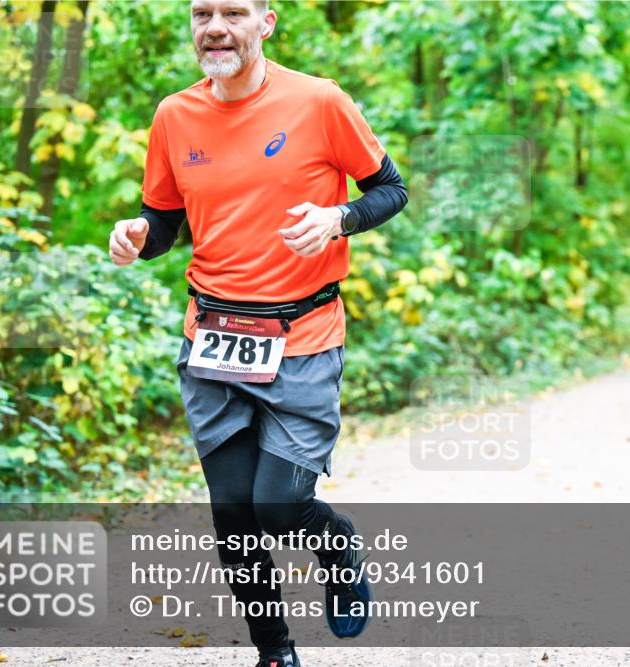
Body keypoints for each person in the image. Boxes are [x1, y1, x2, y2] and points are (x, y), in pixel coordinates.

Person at [108, 2, 407, 666]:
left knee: (279, 506)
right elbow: (163, 221)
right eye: (202, 13)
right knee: (234, 516)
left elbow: (390, 189)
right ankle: (274, 650)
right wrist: (136, 236)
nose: (215, 26)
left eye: (233, 12)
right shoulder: (174, 115)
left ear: (266, 22)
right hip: (212, 336)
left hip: (303, 337)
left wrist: (338, 219)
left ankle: (337, 546)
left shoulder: (320, 101)